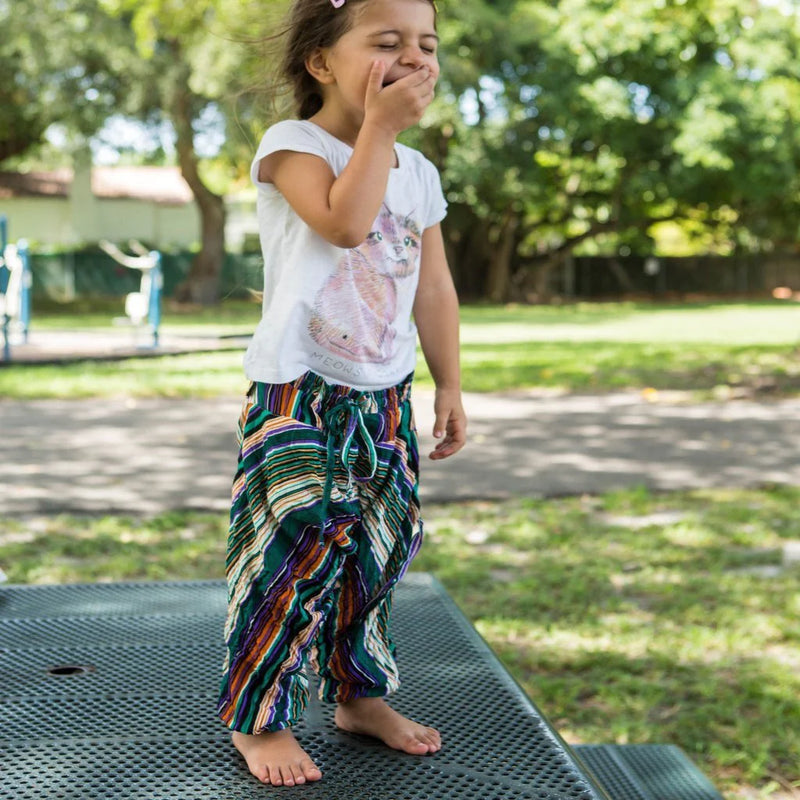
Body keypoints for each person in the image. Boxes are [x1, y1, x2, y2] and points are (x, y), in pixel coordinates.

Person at [217, 0, 466, 787]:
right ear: (322, 61)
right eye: (386, 43)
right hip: (299, 389)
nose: (413, 59)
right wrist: (380, 131)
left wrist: (450, 382)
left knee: (378, 553)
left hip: (384, 395)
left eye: (425, 44)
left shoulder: (418, 172)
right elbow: (344, 224)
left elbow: (435, 289)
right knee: (288, 550)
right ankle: (258, 717)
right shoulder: (293, 146)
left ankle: (359, 694)